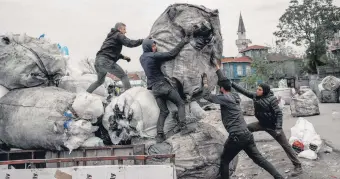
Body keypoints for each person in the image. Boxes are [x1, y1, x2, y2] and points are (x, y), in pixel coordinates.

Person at [201, 63, 284, 179]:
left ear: (221, 89)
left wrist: (204, 83)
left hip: (237, 136)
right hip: (247, 134)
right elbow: (226, 82)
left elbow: (207, 96)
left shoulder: (225, 98)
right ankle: (279, 177)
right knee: (260, 159)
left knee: (224, 161)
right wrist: (218, 70)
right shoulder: (235, 96)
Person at [230, 81, 303, 177]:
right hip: (261, 123)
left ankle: (298, 166)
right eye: (257, 89)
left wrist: (278, 128)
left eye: (259, 89)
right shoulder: (255, 96)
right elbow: (244, 91)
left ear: (264, 91)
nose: (257, 91)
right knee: (246, 129)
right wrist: (232, 84)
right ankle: (242, 146)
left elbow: (279, 114)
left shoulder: (271, 99)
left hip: (273, 126)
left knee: (285, 145)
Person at [139, 34, 195, 143]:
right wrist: (183, 41)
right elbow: (171, 54)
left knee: (164, 111)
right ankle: (183, 127)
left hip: (155, 89)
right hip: (163, 86)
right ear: (149, 47)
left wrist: (148, 40)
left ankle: (160, 135)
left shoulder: (142, 58)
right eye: (153, 46)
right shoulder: (153, 56)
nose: (155, 48)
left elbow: (147, 48)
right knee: (180, 103)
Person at [87, 22, 143, 93]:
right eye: (124, 29)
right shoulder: (119, 35)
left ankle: (85, 94)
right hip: (106, 61)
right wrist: (143, 41)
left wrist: (124, 57)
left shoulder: (110, 37)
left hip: (98, 61)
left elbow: (111, 51)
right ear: (119, 29)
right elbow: (130, 43)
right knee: (123, 76)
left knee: (100, 81)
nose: (125, 31)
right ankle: (129, 95)